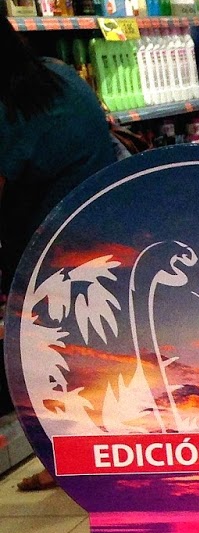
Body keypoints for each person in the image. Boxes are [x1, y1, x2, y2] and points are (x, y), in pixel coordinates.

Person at [1, 14, 120, 490]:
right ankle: (87, 457)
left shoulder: (10, 109)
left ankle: (70, 462)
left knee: (55, 359)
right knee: (90, 356)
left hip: (53, 259)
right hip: (101, 239)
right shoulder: (60, 75)